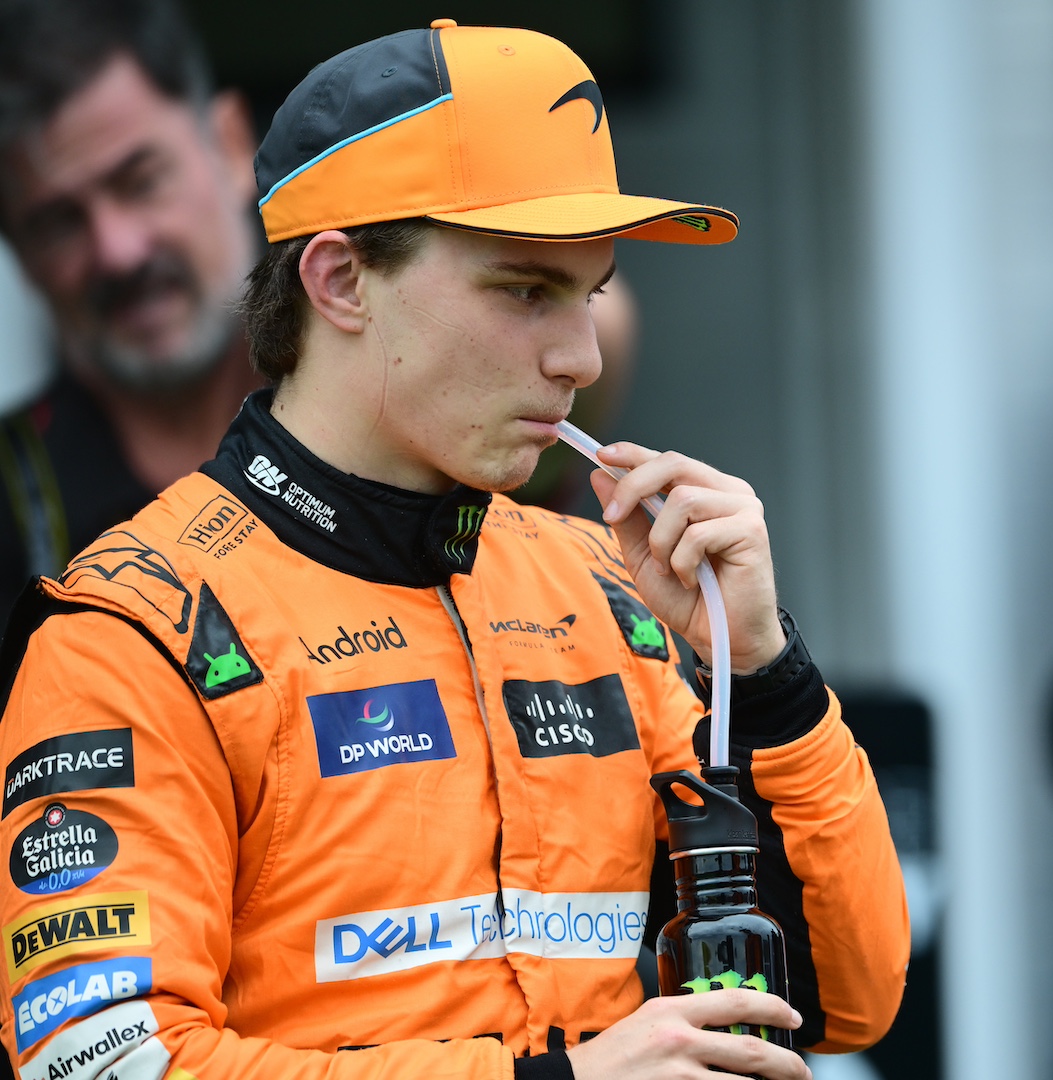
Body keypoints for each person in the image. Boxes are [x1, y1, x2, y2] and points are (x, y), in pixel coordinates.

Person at [0, 18, 907, 1080]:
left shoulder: (601, 591)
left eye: (590, 290)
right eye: (525, 290)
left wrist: (766, 670)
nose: (576, 356)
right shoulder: (132, 638)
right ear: (338, 281)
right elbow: (99, 1064)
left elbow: (842, 1000)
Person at [0, 0, 639, 625]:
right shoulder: (22, 507)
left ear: (227, 142)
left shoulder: (440, 366)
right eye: (57, 222)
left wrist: (743, 670)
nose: (119, 250)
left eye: (141, 180)